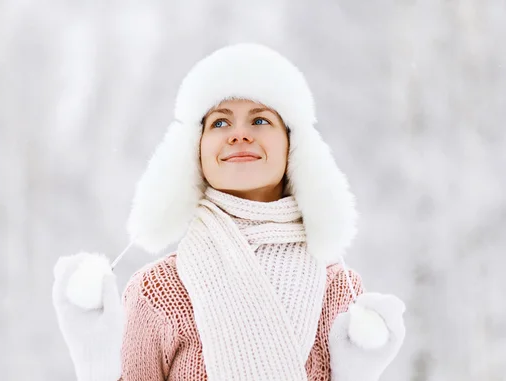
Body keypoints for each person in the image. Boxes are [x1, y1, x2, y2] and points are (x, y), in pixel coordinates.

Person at [52, 43, 406, 381]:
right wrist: (96, 366)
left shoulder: (338, 289)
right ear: (195, 151)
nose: (239, 134)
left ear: (294, 147)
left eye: (260, 120)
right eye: (220, 122)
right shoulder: (157, 290)